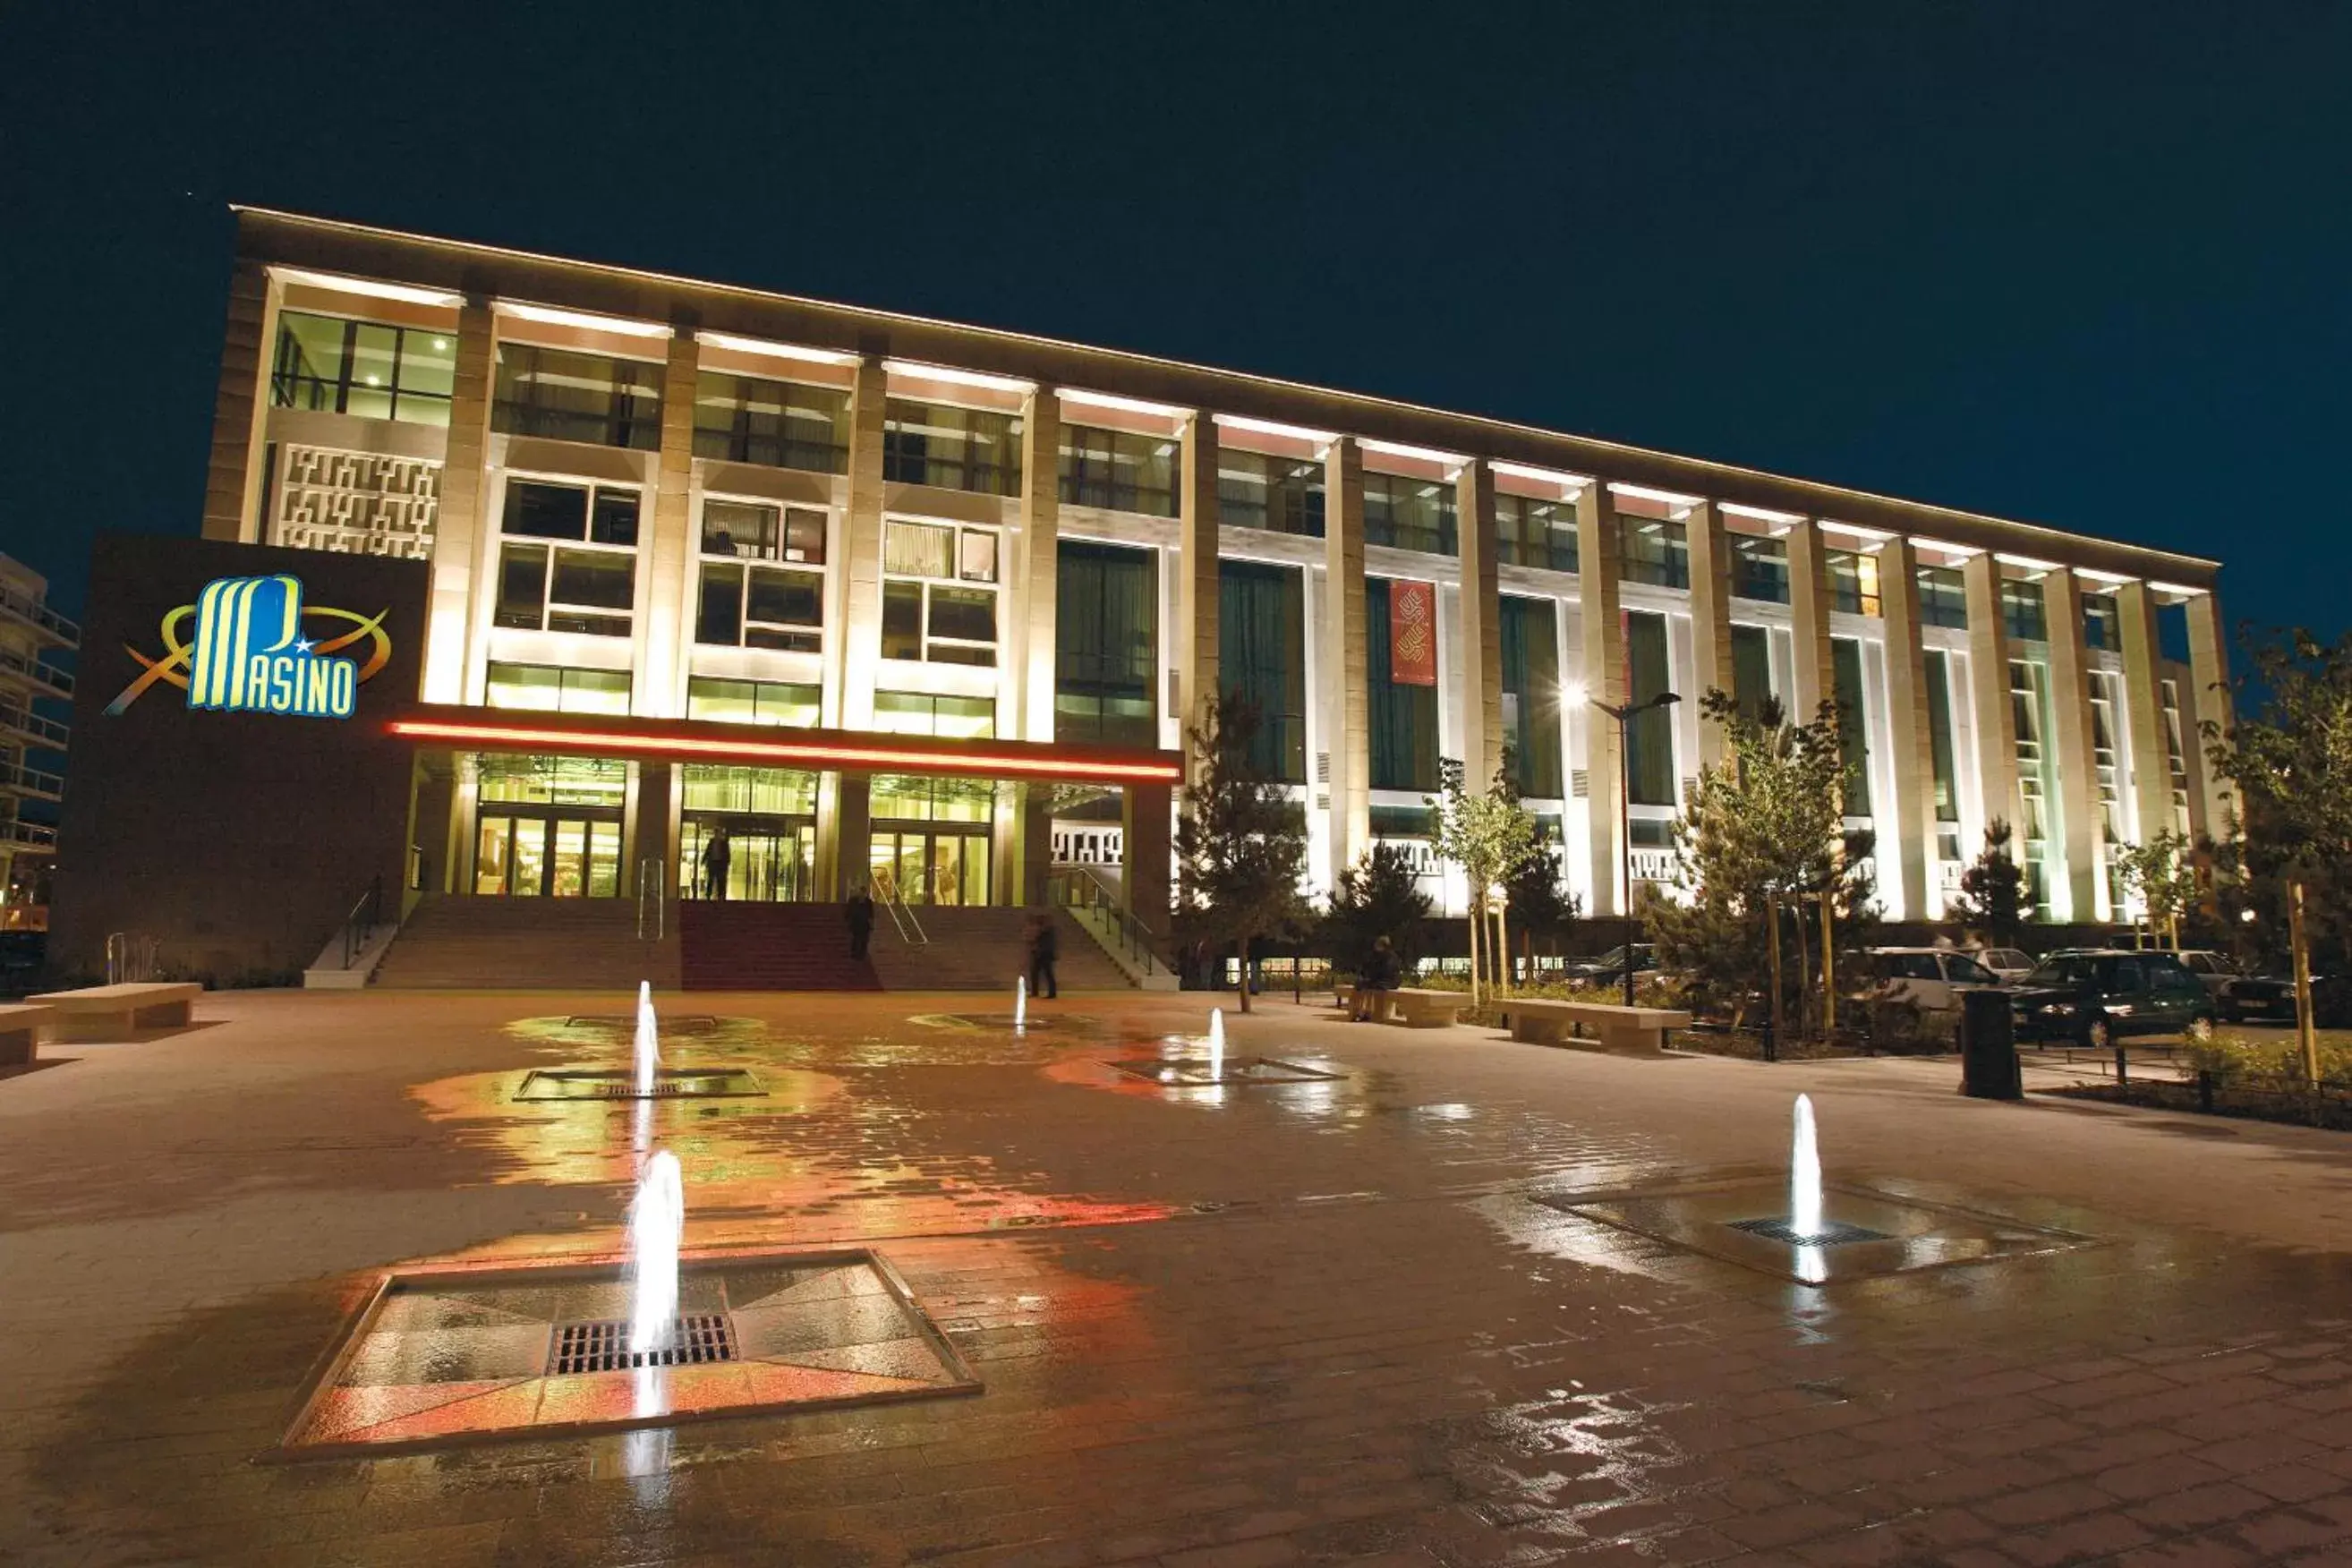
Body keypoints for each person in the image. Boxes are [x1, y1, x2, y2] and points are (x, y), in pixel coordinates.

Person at [1353, 934, 1401, 1021]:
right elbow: (1367, 967)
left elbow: (1387, 972)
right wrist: (1363, 976)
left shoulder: (1391, 957)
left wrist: (1371, 978)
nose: (1375, 947)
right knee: (1362, 985)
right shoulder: (1377, 955)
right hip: (1379, 980)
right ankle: (1364, 1011)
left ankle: (1363, 1011)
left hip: (1389, 982)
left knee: (1368, 986)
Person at [1027, 913, 1060, 1001]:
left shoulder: (1048, 930)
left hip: (1045, 955)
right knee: (1035, 973)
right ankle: (1035, 992)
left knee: (1048, 974)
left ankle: (1052, 993)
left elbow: (1047, 943)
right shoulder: (1043, 930)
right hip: (1039, 954)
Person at [700, 824, 731, 901]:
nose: (716, 834)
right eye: (716, 832)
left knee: (719, 880)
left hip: (719, 864)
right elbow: (708, 851)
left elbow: (727, 854)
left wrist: (727, 862)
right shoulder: (712, 842)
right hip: (713, 863)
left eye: (718, 832)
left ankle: (720, 895)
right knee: (711, 879)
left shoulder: (724, 843)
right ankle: (709, 895)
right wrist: (703, 861)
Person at [845, 883, 875, 960]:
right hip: (856, 923)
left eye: (863, 893)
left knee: (864, 940)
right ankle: (854, 953)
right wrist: (848, 920)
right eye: (861, 892)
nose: (862, 894)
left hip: (865, 924)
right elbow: (849, 910)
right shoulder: (853, 901)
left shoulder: (868, 902)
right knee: (856, 938)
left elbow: (871, 913)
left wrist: (871, 923)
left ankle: (862, 954)